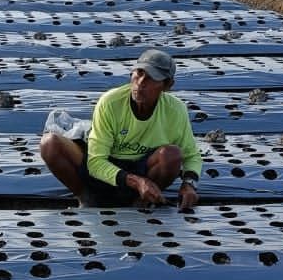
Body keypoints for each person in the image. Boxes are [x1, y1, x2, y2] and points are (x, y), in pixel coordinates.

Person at [39, 49, 202, 208]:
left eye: (151, 78)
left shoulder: (175, 110)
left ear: (167, 85)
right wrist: (136, 181)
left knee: (172, 155)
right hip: (104, 165)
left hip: (141, 165)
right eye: (139, 73)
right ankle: (87, 198)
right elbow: (95, 162)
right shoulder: (111, 103)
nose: (140, 83)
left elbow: (192, 155)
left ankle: (141, 203)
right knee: (50, 144)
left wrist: (189, 184)